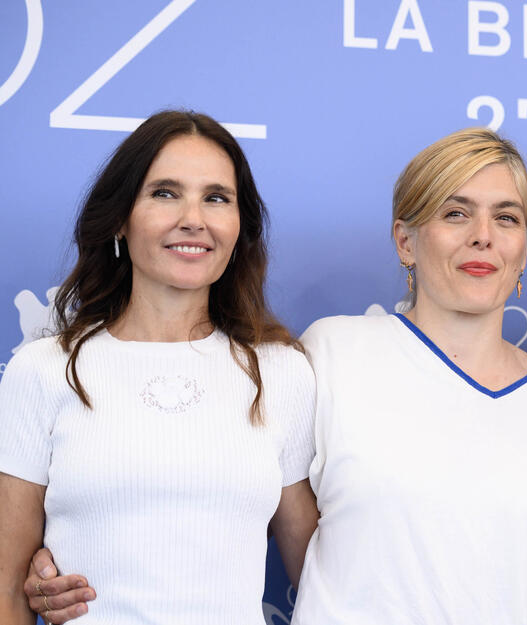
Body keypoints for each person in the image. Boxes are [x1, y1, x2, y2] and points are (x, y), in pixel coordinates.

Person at [21, 128, 527, 624]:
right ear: (405, 241)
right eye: (455, 212)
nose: (483, 235)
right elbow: (194, 485)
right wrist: (48, 566)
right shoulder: (328, 354)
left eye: (506, 217)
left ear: (525, 248)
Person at [0, 111, 318, 624]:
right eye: (165, 193)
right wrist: (34, 585)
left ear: (240, 226)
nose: (194, 218)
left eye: (217, 197)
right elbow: (7, 588)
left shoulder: (281, 372)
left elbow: (320, 582)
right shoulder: (44, 370)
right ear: (120, 219)